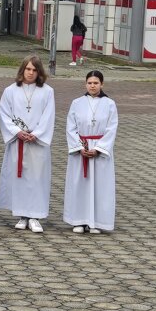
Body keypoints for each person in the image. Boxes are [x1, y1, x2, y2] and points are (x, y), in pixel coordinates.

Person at [0, 56, 56, 233]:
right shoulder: (10, 91)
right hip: (18, 141)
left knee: (37, 179)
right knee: (19, 178)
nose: (30, 73)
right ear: (22, 70)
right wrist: (17, 132)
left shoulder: (47, 91)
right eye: (28, 69)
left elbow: (49, 115)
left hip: (37, 142)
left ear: (39, 72)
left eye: (34, 70)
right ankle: (22, 215)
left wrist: (36, 134)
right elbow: (5, 114)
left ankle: (35, 216)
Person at [63, 70, 118, 234]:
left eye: (96, 83)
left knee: (99, 187)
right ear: (85, 84)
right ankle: (78, 220)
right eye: (89, 83)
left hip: (99, 150)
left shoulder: (109, 104)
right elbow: (70, 127)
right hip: (82, 148)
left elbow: (111, 128)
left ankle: (96, 222)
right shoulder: (77, 103)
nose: (92, 86)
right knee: (80, 185)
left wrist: (99, 148)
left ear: (102, 84)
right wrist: (80, 147)